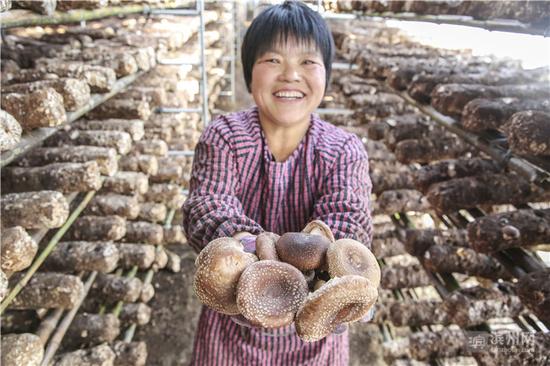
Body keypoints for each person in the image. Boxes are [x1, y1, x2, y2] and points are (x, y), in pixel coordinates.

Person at [182, 1, 373, 365]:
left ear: (326, 75)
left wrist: (330, 267)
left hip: (315, 332)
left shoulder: (343, 149)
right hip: (231, 327)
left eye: (307, 62)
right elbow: (208, 205)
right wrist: (246, 248)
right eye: (272, 61)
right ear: (249, 72)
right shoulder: (225, 137)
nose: (290, 75)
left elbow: (349, 217)